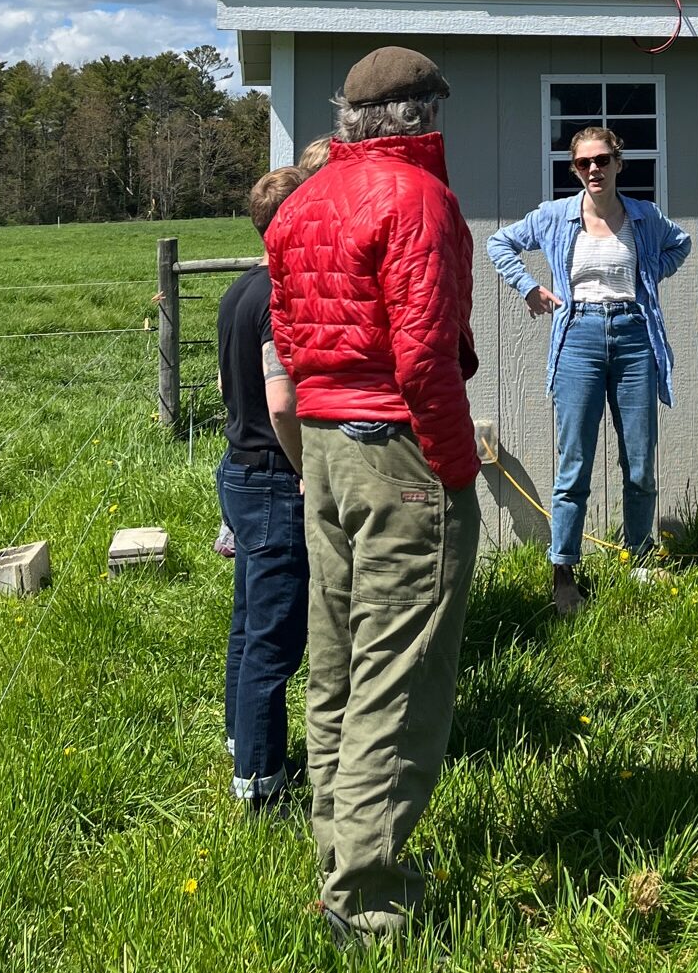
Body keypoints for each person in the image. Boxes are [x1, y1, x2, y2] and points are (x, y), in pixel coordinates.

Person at [265, 46, 481, 947]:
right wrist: (456, 465)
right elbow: (426, 355)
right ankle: (365, 897)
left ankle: (337, 845)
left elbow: (286, 326)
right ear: (422, 114)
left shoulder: (302, 199)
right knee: (402, 666)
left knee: (339, 655)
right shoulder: (417, 198)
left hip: (322, 444)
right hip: (397, 446)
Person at [487, 126, 691, 617]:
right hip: (577, 335)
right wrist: (529, 288)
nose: (593, 170)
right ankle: (563, 573)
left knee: (639, 460)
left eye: (601, 160)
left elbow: (680, 245)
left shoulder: (644, 217)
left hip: (633, 334)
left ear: (619, 164)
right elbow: (500, 244)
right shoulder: (556, 215)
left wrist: (648, 275)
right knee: (573, 462)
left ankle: (639, 560)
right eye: (583, 163)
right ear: (574, 169)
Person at [217, 166, 308, 809]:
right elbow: (282, 404)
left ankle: (239, 743)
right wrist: (304, 466)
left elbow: (230, 390)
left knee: (248, 623)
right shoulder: (280, 295)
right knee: (275, 644)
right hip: (276, 479)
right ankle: (260, 783)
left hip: (237, 467)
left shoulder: (237, 290)